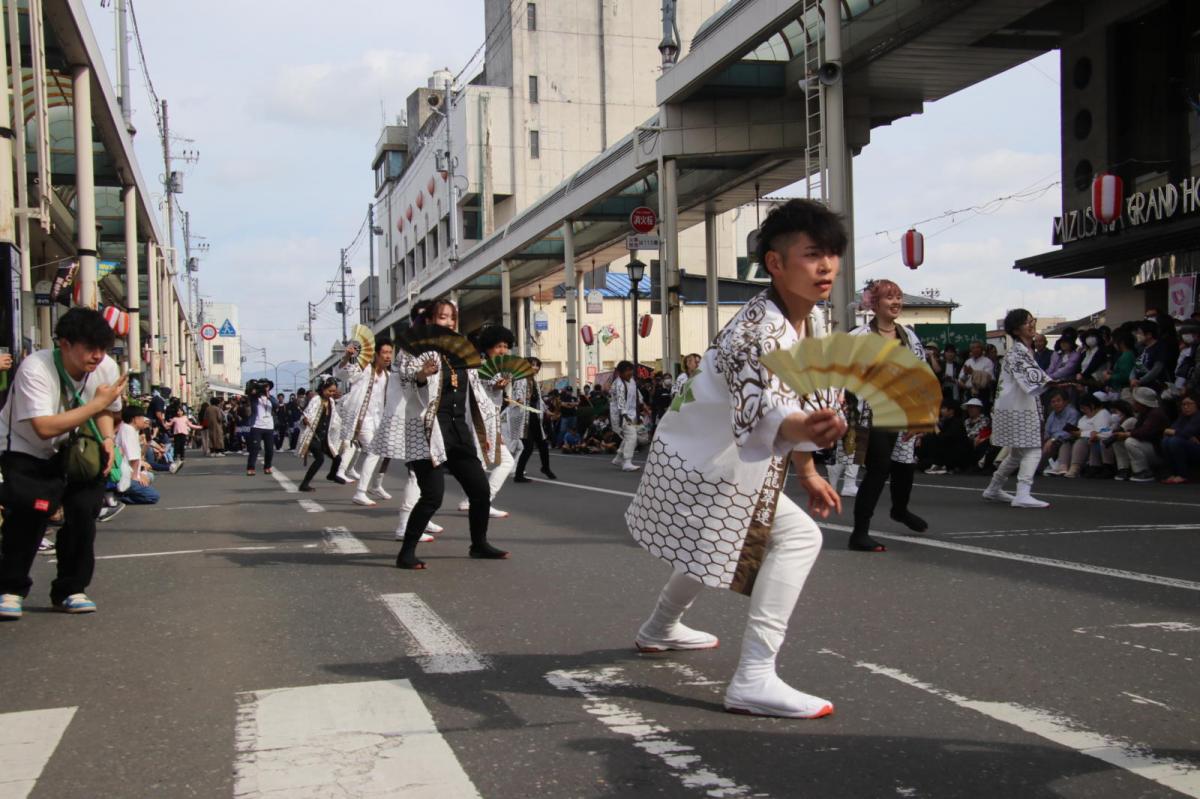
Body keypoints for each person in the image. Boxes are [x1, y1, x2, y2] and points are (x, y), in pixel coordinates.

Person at [627, 198, 847, 718]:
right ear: (775, 263)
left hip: (699, 455)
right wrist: (805, 432)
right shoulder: (757, 332)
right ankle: (754, 677)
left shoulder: (803, 323)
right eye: (812, 254)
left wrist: (808, 468)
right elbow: (766, 412)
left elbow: (789, 405)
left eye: (832, 255)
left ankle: (658, 628)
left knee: (711, 545)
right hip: (708, 462)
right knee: (797, 538)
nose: (826, 267)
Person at [0, 307, 128, 620]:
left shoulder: (107, 366)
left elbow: (107, 412)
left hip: (78, 448)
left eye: (103, 348)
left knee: (83, 513)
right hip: (27, 448)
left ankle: (71, 589)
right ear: (65, 344)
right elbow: (43, 427)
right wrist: (97, 404)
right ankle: (10, 589)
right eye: (90, 348)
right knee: (32, 511)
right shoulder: (35, 368)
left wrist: (108, 440)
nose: (97, 356)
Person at [393, 299, 507, 570]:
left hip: (458, 429)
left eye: (453, 318)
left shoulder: (462, 352)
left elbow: (478, 392)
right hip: (427, 429)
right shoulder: (413, 350)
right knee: (433, 495)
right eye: (443, 317)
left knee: (480, 489)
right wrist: (422, 374)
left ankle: (478, 544)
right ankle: (406, 552)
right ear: (431, 321)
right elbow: (405, 384)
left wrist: (496, 386)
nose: (450, 322)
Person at [847, 279, 930, 552]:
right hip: (871, 414)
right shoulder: (859, 337)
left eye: (899, 298)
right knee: (879, 469)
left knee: (905, 466)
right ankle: (859, 533)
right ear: (874, 303)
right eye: (889, 298)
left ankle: (899, 509)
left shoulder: (908, 336)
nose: (896, 303)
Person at [982, 309, 1053, 508]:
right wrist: (1055, 383)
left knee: (1016, 453)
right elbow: (1034, 379)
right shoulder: (1017, 352)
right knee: (1033, 449)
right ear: (1016, 329)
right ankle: (1023, 492)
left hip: (1012, 407)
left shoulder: (1021, 350)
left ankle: (994, 488)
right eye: (1027, 322)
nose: (1032, 325)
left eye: (1032, 321)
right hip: (1019, 409)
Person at [456, 325, 517, 518]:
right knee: (485, 464)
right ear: (488, 346)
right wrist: (496, 386)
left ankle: (473, 500)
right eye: (498, 346)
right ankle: (481, 501)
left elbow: (495, 402)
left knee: (499, 462)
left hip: (490, 423)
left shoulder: (499, 369)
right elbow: (485, 386)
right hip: (478, 424)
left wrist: (497, 431)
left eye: (506, 346)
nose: (503, 350)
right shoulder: (479, 366)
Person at [347, 339, 396, 506]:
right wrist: (348, 357)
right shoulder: (366, 369)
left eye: (390, 353)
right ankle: (360, 492)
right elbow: (345, 374)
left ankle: (376, 485)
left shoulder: (388, 376)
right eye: (385, 353)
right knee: (374, 452)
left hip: (378, 420)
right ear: (376, 355)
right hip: (362, 419)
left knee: (387, 452)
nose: (388, 356)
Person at [511, 357, 556, 482]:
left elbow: (539, 400)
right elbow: (517, 396)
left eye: (537, 366)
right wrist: (520, 399)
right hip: (524, 417)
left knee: (543, 444)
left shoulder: (534, 382)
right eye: (533, 365)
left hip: (534, 416)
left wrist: (547, 411)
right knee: (528, 446)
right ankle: (519, 475)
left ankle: (545, 468)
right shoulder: (520, 379)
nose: (536, 368)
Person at [1112, 387, 1170, 482]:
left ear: (1142, 403)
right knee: (1117, 439)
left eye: (1135, 401)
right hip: (1149, 446)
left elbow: (1145, 432)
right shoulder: (1144, 413)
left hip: (1158, 451)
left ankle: (1143, 471)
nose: (1133, 403)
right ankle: (1124, 468)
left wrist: (1127, 433)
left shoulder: (1155, 414)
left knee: (1130, 441)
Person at [296, 379, 339, 492]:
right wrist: (305, 420)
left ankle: (332, 475)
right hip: (313, 435)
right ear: (323, 388)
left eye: (334, 391)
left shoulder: (331, 401)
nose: (332, 393)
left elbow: (334, 418)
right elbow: (306, 413)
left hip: (325, 436)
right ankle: (304, 485)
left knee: (337, 458)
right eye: (330, 391)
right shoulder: (316, 399)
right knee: (319, 459)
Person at [112, 404, 159, 504]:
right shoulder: (128, 431)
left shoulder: (130, 429)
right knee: (153, 496)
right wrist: (137, 477)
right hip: (124, 475)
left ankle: (125, 492)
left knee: (150, 476)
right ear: (135, 419)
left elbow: (136, 457)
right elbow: (133, 459)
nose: (144, 420)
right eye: (142, 418)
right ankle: (119, 497)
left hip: (127, 472)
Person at [919, 399, 970, 474]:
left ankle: (944, 466)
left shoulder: (956, 423)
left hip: (955, 454)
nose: (941, 410)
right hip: (945, 453)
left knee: (925, 464)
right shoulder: (946, 421)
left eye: (943, 408)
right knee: (922, 463)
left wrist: (935, 426)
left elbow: (944, 439)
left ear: (951, 411)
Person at [1160, 392, 1200, 484]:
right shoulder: (1182, 418)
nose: (1186, 407)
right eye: (1183, 404)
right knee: (1166, 441)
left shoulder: (1198, 417)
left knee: (1175, 441)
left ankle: (1183, 475)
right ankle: (1173, 474)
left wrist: (1179, 434)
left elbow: (1187, 432)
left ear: (1196, 404)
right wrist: (1186, 436)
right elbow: (1170, 431)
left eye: (1189, 404)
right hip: (1189, 445)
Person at [608, 361, 640, 472]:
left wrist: (642, 406)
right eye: (627, 370)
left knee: (628, 437)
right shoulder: (618, 384)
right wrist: (625, 415)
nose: (630, 373)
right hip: (621, 415)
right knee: (632, 436)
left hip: (631, 413)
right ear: (620, 372)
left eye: (631, 370)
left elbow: (636, 394)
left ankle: (618, 458)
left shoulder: (632, 381)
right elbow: (620, 400)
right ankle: (627, 462)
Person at [1040, 391, 1080, 476]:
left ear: (1065, 401)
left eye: (1058, 401)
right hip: (1052, 440)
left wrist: (1052, 439)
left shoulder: (1072, 413)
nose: (1055, 404)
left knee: (1051, 445)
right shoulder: (1053, 414)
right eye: (1053, 402)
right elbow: (1047, 431)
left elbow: (1069, 432)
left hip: (1065, 440)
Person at [1131, 321, 1170, 391]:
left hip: (1155, 387)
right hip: (1142, 385)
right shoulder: (1144, 348)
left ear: (1149, 335)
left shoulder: (1159, 347)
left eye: (1139, 333)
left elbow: (1156, 369)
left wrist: (1140, 381)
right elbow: (1136, 365)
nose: (1137, 335)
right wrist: (1132, 378)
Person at [959, 341, 995, 408]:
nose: (975, 349)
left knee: (983, 414)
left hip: (982, 393)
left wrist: (973, 372)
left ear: (982, 349)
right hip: (969, 393)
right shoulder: (968, 361)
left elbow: (989, 378)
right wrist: (966, 374)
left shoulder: (987, 361)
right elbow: (961, 379)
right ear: (971, 350)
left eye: (977, 347)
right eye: (973, 348)